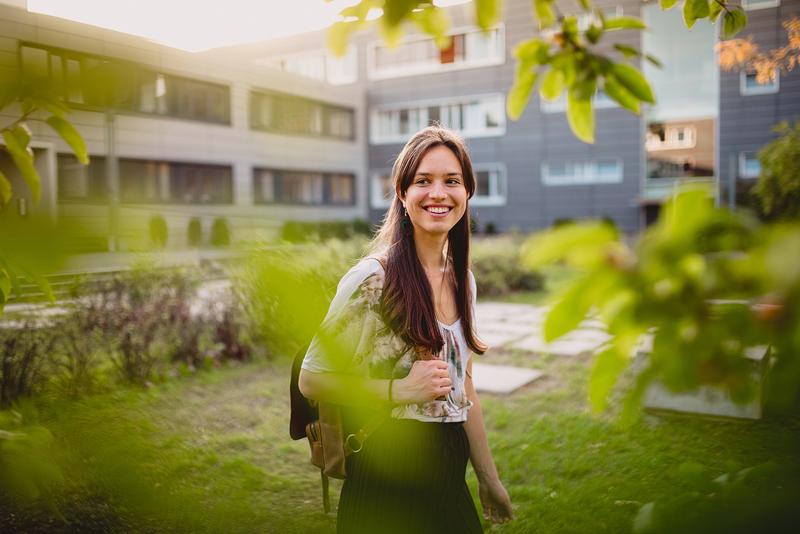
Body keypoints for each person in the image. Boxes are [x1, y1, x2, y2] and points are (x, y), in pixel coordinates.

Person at [298, 125, 513, 533]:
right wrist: (401, 390)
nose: (438, 193)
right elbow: (312, 379)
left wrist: (488, 479)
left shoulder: (462, 280)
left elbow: (465, 391)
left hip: (450, 470)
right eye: (423, 181)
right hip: (385, 471)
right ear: (402, 193)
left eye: (452, 181)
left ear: (467, 192)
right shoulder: (372, 279)